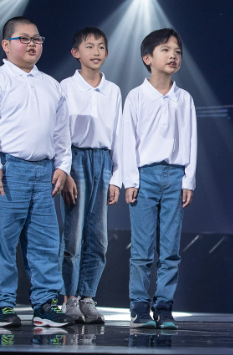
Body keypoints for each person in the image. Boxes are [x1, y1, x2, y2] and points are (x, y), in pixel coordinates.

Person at [0, 16, 74, 329]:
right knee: (2, 241)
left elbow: (62, 132)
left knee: (45, 242)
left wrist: (63, 166)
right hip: (10, 169)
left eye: (37, 39)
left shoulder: (51, 85)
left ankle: (46, 304)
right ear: (6, 45)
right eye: (24, 39)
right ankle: (2, 305)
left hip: (44, 172)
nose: (32, 44)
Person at [121, 28, 198, 330]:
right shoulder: (137, 96)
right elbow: (128, 140)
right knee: (141, 250)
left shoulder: (184, 98)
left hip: (175, 176)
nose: (173, 55)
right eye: (165, 50)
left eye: (177, 51)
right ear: (147, 58)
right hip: (145, 176)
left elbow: (190, 140)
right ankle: (139, 307)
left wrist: (188, 180)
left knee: (170, 249)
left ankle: (164, 306)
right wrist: (130, 180)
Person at [59, 27, 122, 325]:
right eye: (89, 46)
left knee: (98, 238)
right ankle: (69, 298)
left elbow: (119, 134)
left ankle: (88, 296)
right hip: (76, 160)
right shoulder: (65, 87)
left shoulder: (113, 90)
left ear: (107, 53)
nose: (96, 52)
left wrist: (116, 178)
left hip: (103, 161)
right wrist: (65, 170)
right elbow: (60, 133)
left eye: (100, 47)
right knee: (73, 236)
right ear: (76, 53)